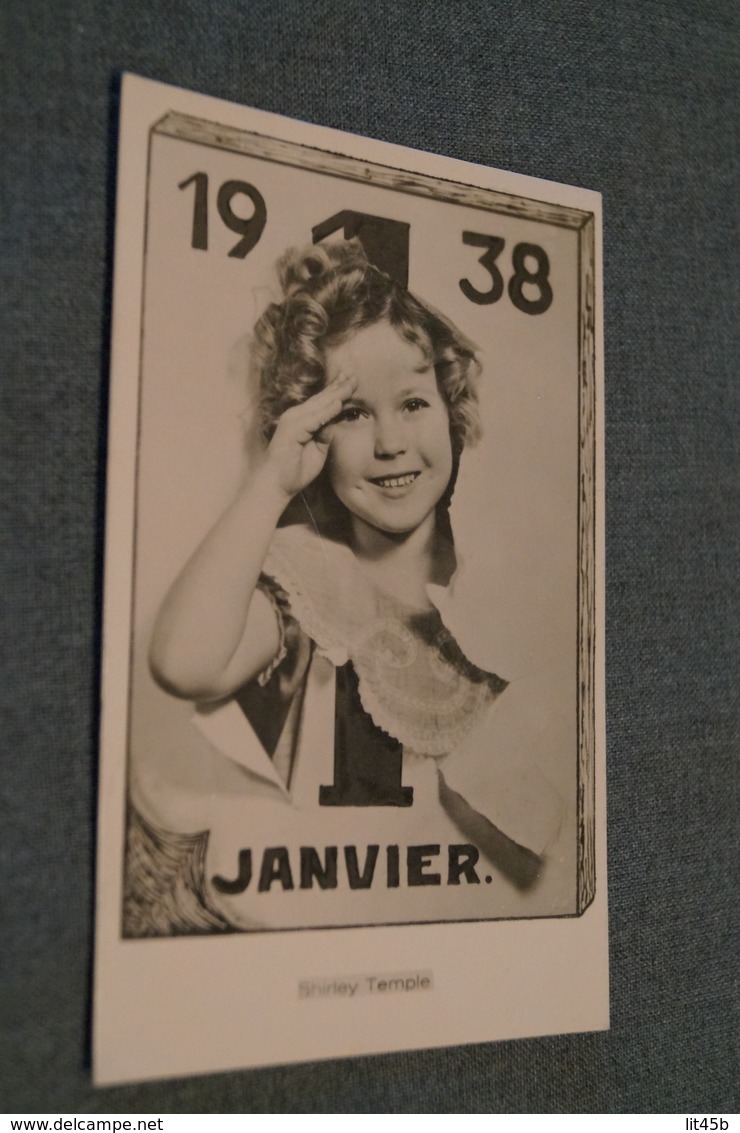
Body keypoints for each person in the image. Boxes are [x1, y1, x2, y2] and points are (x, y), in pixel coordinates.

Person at [137, 240, 558, 935]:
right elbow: (184, 661)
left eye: (414, 402)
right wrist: (271, 481)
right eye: (354, 413)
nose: (391, 441)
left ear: (452, 413)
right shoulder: (306, 584)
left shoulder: (505, 593)